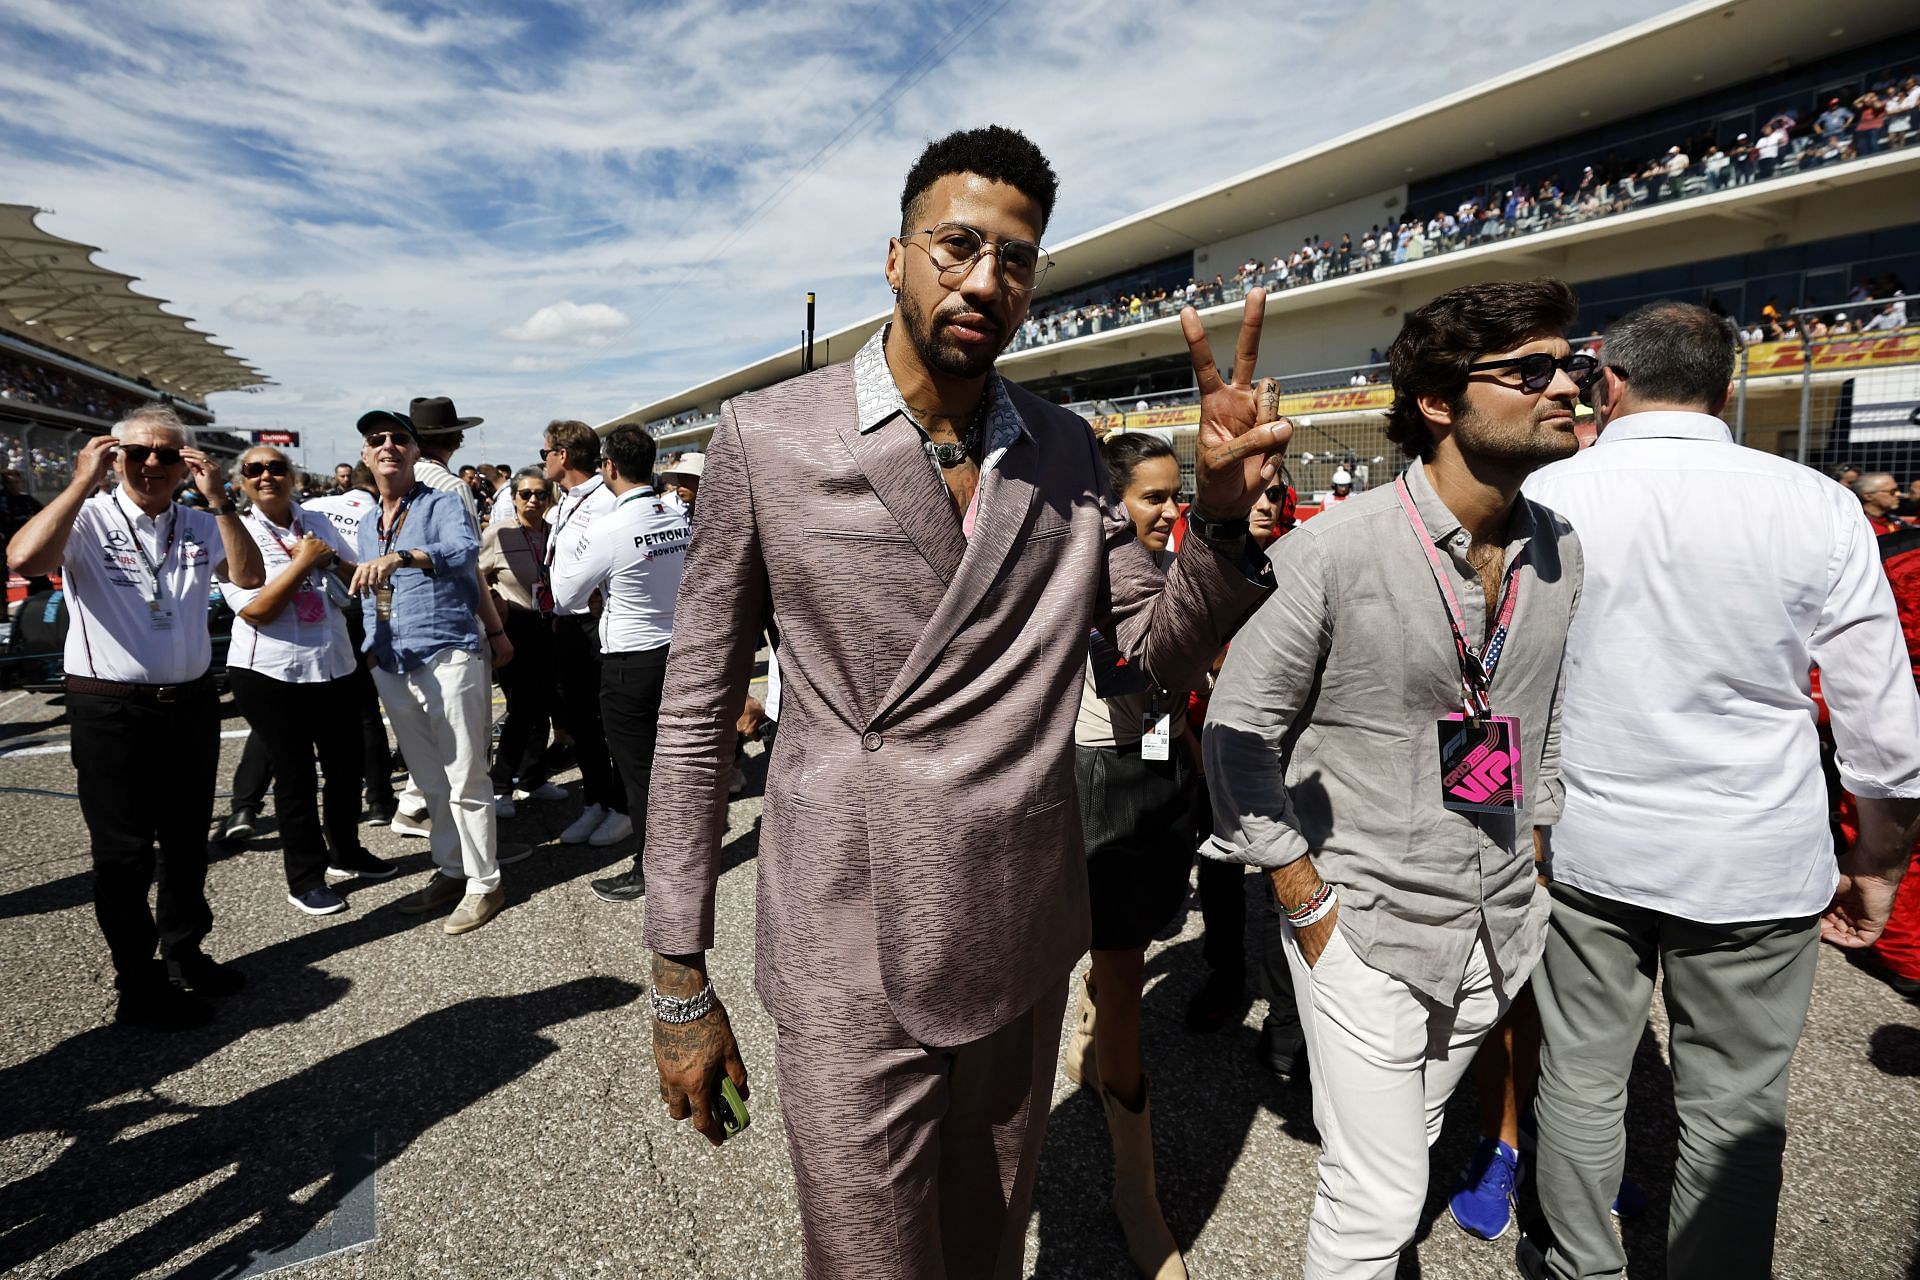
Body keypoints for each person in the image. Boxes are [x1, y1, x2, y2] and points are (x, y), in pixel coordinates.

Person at [640, 125, 1281, 1279]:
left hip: (1019, 923)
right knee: (868, 1259)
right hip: (849, 933)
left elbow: (1139, 662)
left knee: (986, 1243)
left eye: (1018, 258)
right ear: (896, 257)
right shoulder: (769, 438)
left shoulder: (1067, 449)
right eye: (957, 246)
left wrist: (1222, 524)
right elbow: (695, 711)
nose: (986, 279)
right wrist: (680, 973)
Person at [1519, 301, 1920, 1280]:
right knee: (1734, 1112)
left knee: (1576, 1080)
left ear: (1608, 381)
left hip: (1583, 844)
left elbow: (1481, 682)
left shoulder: (1542, 493)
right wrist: (1879, 864)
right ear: (1728, 390)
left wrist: (1485, 822)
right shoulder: (1816, 501)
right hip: (1755, 851)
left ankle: (1580, 1267)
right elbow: (1885, 727)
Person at [1205, 278, 1590, 1280]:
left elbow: (1540, 721)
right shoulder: (1332, 549)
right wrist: (1307, 900)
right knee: (1375, 1198)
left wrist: (1536, 858)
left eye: (1574, 366)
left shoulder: (1560, 549)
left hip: (1499, 921)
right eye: (1533, 370)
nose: (1568, 389)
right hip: (1365, 921)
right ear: (1436, 400)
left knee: (1399, 1140)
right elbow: (1237, 730)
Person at [6, 406, 265, 1029]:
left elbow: (250, 576)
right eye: (139, 453)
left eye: (168, 455)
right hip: (110, 707)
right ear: (114, 456)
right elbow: (23, 559)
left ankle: (186, 953)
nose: (153, 464)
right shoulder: (87, 517)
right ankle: (137, 981)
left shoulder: (201, 523)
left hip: (191, 702)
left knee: (186, 845)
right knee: (123, 856)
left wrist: (221, 500)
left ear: (187, 464)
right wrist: (77, 482)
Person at [1063, 431, 1206, 1279]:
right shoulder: (1090, 568)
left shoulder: (1165, 564)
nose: (1169, 509)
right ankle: (1136, 1189)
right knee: (1118, 974)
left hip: (1161, 769)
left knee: (1127, 955)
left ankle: (1097, 1014)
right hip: (1096, 780)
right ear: (1112, 499)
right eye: (1153, 496)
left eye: (1175, 494)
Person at [350, 413, 520, 935]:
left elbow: (462, 553)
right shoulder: (365, 522)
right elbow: (372, 593)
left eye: (399, 439)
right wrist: (372, 645)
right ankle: (451, 868)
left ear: (415, 451)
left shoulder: (442, 502)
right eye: (377, 440)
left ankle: (484, 883)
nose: (388, 446)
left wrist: (404, 556)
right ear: (365, 454)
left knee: (466, 772)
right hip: (393, 659)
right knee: (427, 778)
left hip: (447, 652)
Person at [221, 446, 396, 915]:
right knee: (295, 777)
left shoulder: (318, 522)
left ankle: (347, 851)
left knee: (345, 767)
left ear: (292, 476)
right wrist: (300, 564)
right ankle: (305, 876)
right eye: (253, 470)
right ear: (240, 481)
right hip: (270, 669)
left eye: (276, 468)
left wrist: (328, 561)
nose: (266, 476)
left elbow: (364, 580)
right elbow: (254, 609)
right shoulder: (236, 530)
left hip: (334, 659)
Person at [549, 424, 692, 904]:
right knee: (676, 764)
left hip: (630, 661)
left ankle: (652, 868)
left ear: (609, 467)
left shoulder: (609, 527)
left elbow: (565, 596)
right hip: (679, 653)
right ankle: (688, 855)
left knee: (639, 773)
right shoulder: (678, 513)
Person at [541, 418, 632, 847]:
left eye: (545, 452)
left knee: (609, 720)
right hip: (566, 624)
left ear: (562, 455)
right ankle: (595, 800)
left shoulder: (607, 499)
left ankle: (622, 806)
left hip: (598, 624)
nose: (542, 461)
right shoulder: (561, 503)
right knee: (580, 719)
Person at [305, 462, 398, 824]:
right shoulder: (379, 514)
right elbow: (385, 583)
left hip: (312, 611)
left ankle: (246, 804)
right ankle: (378, 799)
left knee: (298, 712)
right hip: (361, 611)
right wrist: (385, 627)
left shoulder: (313, 508)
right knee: (365, 712)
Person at [479, 466, 564, 813]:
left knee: (544, 704)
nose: (533, 500)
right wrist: (495, 605)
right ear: (513, 498)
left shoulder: (556, 531)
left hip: (551, 624)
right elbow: (476, 577)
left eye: (540, 494)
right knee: (520, 709)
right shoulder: (498, 534)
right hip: (517, 626)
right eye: (525, 494)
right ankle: (501, 785)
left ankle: (533, 778)